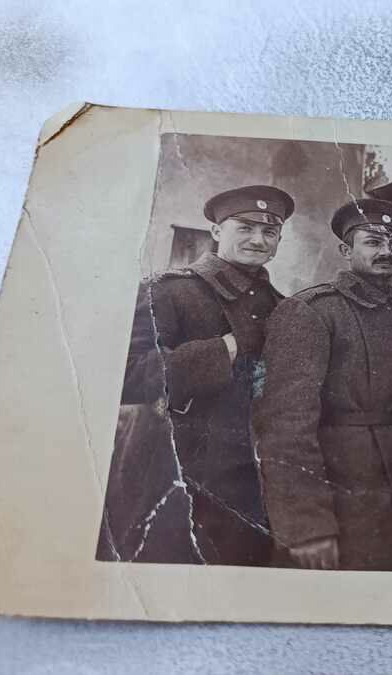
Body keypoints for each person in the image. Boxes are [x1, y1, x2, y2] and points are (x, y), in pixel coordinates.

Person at [97, 185, 293, 565]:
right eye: (245, 228)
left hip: (253, 479)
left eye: (269, 232)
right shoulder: (171, 291)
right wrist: (228, 347)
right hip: (175, 473)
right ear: (217, 232)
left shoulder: (282, 307)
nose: (258, 239)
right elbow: (127, 375)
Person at [253, 199, 392, 571]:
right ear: (346, 250)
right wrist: (307, 525)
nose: (387, 251)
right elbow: (285, 426)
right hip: (343, 499)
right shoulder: (311, 311)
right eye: (373, 241)